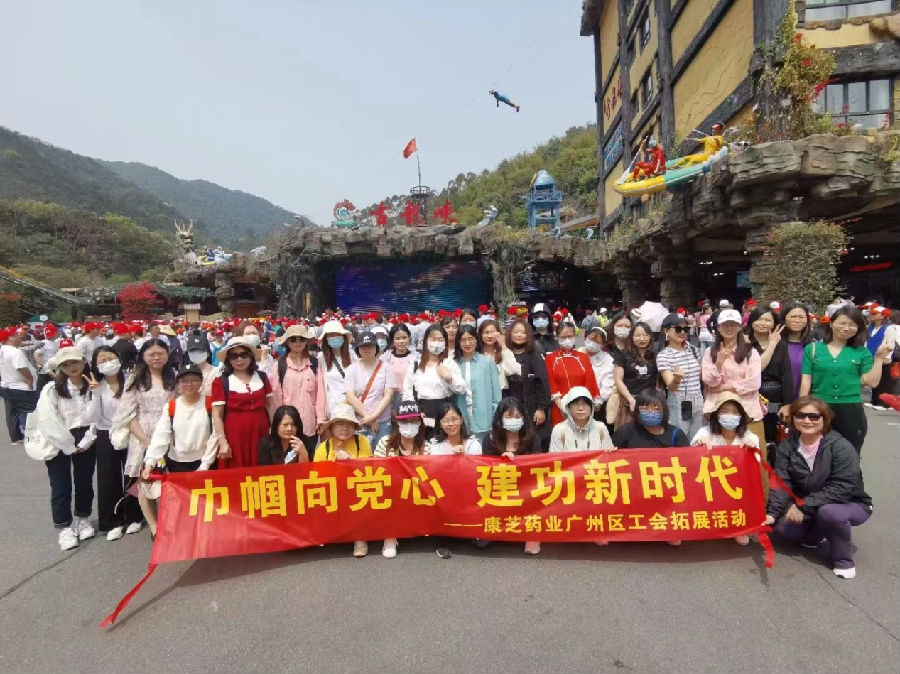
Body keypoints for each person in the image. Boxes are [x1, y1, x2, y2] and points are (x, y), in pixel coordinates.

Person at [765, 396, 873, 579]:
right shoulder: (787, 446)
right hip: (810, 503)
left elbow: (843, 487)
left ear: (825, 418)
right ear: (793, 418)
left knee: (830, 513)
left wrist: (803, 505)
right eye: (800, 415)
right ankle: (814, 535)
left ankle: (843, 561)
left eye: (814, 416)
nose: (807, 421)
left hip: (849, 503)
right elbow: (782, 482)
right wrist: (772, 513)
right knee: (783, 529)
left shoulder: (840, 446)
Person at [799, 306, 889, 455]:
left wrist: (879, 358)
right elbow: (806, 380)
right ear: (831, 323)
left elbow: (871, 382)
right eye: (842, 323)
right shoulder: (813, 349)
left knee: (849, 455)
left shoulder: (862, 352)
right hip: (819, 407)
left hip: (851, 410)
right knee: (817, 454)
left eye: (853, 324)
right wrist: (802, 407)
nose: (847, 328)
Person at [33, 346, 97, 550]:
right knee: (60, 485)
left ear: (84, 361)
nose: (72, 367)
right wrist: (67, 444)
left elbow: (99, 415)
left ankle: (83, 518)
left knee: (84, 481)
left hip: (87, 435)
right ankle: (64, 527)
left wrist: (87, 439)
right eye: (66, 364)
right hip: (59, 436)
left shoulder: (93, 385)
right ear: (60, 367)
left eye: (75, 362)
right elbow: (47, 419)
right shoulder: (52, 389)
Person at [114, 338, 176, 536]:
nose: (156, 358)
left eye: (160, 353)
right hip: (144, 434)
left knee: (168, 481)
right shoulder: (135, 379)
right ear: (143, 356)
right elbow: (127, 414)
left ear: (167, 355)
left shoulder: (174, 376)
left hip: (170, 433)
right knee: (145, 481)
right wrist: (144, 440)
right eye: (151, 354)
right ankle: (154, 525)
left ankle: (169, 521)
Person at [85, 346, 142, 540]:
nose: (108, 362)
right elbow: (91, 417)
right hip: (106, 433)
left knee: (132, 474)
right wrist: (94, 393)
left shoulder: (131, 381)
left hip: (131, 431)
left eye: (111, 358)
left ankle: (135, 515)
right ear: (96, 365)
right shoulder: (96, 386)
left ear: (118, 358)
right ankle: (112, 521)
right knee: (108, 478)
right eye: (102, 360)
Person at [691, 392, 761, 545]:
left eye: (735, 412)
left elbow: (755, 468)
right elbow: (690, 462)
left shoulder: (750, 437)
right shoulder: (704, 432)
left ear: (741, 417)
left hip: (737, 488)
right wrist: (698, 446)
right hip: (710, 486)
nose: (730, 415)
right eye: (725, 411)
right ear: (716, 415)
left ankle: (739, 526)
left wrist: (751, 452)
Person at [312, 403, 372, 558]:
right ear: (331, 427)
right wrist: (333, 464)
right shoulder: (323, 448)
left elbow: (370, 469)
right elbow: (316, 476)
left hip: (357, 488)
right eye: (340, 424)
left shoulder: (362, 441)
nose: (345, 428)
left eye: (349, 424)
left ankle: (360, 538)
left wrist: (351, 461)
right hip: (333, 490)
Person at [701, 308, 766, 445]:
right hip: (717, 413)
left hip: (748, 411)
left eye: (733, 324)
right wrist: (719, 364)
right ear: (718, 327)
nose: (729, 328)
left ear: (740, 327)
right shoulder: (709, 352)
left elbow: (753, 383)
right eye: (725, 324)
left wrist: (724, 387)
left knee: (753, 453)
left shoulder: (750, 352)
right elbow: (709, 382)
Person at [374, 400, 428, 559]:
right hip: (392, 491)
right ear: (397, 422)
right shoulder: (385, 443)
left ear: (420, 422)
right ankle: (390, 537)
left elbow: (431, 475)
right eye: (405, 421)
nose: (409, 425)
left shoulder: (426, 446)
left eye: (413, 421)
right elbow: (376, 471)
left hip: (417, 492)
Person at [428, 402, 482, 559]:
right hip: (445, 494)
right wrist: (451, 457)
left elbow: (478, 472)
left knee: (483, 543)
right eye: (446, 420)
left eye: (454, 419)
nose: (451, 424)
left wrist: (464, 459)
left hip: (469, 493)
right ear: (440, 423)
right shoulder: (434, 445)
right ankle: (443, 540)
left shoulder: (473, 444)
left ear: (462, 420)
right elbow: (433, 472)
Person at [211, 337, 275, 470]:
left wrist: (274, 431)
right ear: (228, 359)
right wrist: (223, 442)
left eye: (243, 355)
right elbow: (217, 415)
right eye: (234, 356)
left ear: (251, 356)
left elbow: (270, 405)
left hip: (261, 433)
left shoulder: (262, 377)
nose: (239, 359)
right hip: (234, 436)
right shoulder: (221, 382)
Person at [402, 324, 466, 438]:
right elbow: (407, 390)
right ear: (426, 341)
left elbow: (461, 388)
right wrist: (415, 411)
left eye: (440, 339)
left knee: (442, 443)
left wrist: (449, 378)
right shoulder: (416, 364)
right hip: (421, 410)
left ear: (445, 342)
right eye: (433, 339)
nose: (436, 343)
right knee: (423, 443)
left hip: (444, 411)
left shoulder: (449, 363)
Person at [745, 306, 795, 447]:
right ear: (751, 322)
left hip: (774, 396)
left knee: (773, 436)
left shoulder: (781, 345)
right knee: (752, 436)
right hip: (751, 395)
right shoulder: (745, 343)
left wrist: (787, 404)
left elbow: (787, 374)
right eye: (759, 319)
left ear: (774, 324)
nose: (762, 323)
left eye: (767, 320)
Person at [270, 324, 321, 456]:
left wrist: (321, 419)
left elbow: (320, 395)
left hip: (309, 423)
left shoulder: (315, 364)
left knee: (308, 460)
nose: (298, 342)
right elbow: (276, 398)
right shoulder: (279, 365)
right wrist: (276, 423)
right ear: (287, 342)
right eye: (293, 339)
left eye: (301, 339)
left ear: (306, 341)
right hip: (287, 426)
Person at [504, 320, 551, 450]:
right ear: (510, 334)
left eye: (523, 332)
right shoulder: (505, 354)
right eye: (516, 332)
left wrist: (541, 409)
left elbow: (542, 382)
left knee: (533, 444)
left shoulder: (534, 355)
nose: (519, 335)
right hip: (510, 408)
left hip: (531, 409)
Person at [656, 313, 704, 440]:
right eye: (678, 329)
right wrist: (677, 378)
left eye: (685, 329)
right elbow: (671, 386)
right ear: (666, 331)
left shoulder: (693, 350)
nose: (682, 332)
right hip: (678, 401)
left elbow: (700, 376)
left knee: (697, 439)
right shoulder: (663, 355)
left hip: (698, 399)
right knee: (680, 439)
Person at [345, 331, 394, 446]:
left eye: (370, 346)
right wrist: (368, 417)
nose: (367, 349)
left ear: (376, 347)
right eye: (363, 347)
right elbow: (350, 396)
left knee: (381, 453)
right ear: (358, 349)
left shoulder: (386, 368)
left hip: (382, 421)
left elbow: (388, 395)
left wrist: (374, 416)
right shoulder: (352, 369)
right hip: (360, 421)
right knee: (360, 454)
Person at [546, 322, 599, 426]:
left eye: (570, 336)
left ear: (575, 336)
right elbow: (550, 382)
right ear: (557, 337)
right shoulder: (551, 358)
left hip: (583, 406)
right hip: (560, 407)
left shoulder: (583, 357)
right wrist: (560, 403)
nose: (567, 339)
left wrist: (584, 402)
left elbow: (590, 380)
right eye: (563, 337)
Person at [454, 325, 501, 442]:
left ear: (476, 340)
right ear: (458, 342)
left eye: (471, 339)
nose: (467, 343)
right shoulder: (454, 364)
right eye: (463, 340)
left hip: (484, 417)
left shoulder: (487, 363)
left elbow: (496, 395)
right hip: (460, 416)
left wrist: (495, 416)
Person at [613, 321, 658, 427]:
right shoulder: (623, 354)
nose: (642, 339)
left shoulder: (656, 355)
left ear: (650, 337)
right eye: (637, 335)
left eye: (645, 335)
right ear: (631, 337)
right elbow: (618, 380)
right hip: (629, 401)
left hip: (650, 401)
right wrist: (630, 398)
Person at [612, 389, 690, 449]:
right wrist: (611, 452)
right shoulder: (625, 432)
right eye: (645, 408)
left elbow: (687, 457)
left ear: (664, 411)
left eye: (656, 409)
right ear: (638, 410)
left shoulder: (676, 435)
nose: (651, 412)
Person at [549, 386, 615, 453]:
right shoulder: (559, 430)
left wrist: (610, 452)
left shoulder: (601, 428)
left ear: (591, 407)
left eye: (585, 404)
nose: (580, 408)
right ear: (568, 407)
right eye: (575, 404)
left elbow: (609, 457)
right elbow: (555, 458)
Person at [0, 327, 37, 444]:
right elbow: (22, 368)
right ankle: (32, 438)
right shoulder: (15, 352)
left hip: (6, 386)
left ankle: (15, 438)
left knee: (12, 413)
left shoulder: (2, 350)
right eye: (16, 335)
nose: (19, 336)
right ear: (10, 338)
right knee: (30, 413)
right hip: (20, 388)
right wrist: (30, 380)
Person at [316, 320, 355, 429]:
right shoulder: (321, 358)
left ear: (343, 336)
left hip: (351, 409)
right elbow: (321, 388)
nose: (335, 337)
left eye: (337, 334)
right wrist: (321, 416)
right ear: (326, 339)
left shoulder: (352, 356)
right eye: (331, 335)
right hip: (332, 410)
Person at [780, 304, 814, 412]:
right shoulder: (775, 343)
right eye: (793, 316)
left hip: (805, 400)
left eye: (801, 317)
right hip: (778, 399)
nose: (797, 320)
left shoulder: (813, 346)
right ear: (784, 319)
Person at [866, 305, 899, 408]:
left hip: (883, 358)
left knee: (884, 381)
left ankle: (885, 403)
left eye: (874, 313)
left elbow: (890, 344)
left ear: (883, 316)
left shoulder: (889, 328)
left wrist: (887, 357)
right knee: (874, 380)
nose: (871, 315)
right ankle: (875, 400)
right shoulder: (870, 327)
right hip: (872, 356)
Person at [478, 319, 522, 392]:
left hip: (500, 392)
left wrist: (503, 345)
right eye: (486, 332)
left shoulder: (504, 352)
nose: (489, 336)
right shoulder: (477, 354)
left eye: (492, 332)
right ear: (481, 335)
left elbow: (512, 370)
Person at [580, 327, 615, 417]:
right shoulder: (577, 353)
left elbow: (607, 386)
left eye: (597, 342)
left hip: (594, 404)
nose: (593, 343)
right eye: (591, 339)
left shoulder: (608, 360)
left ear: (603, 344)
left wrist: (598, 401)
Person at [382, 323, 417, 412]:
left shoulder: (417, 357)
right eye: (397, 338)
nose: (401, 341)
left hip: (412, 399)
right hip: (391, 399)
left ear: (409, 338)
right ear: (392, 340)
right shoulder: (385, 358)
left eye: (404, 338)